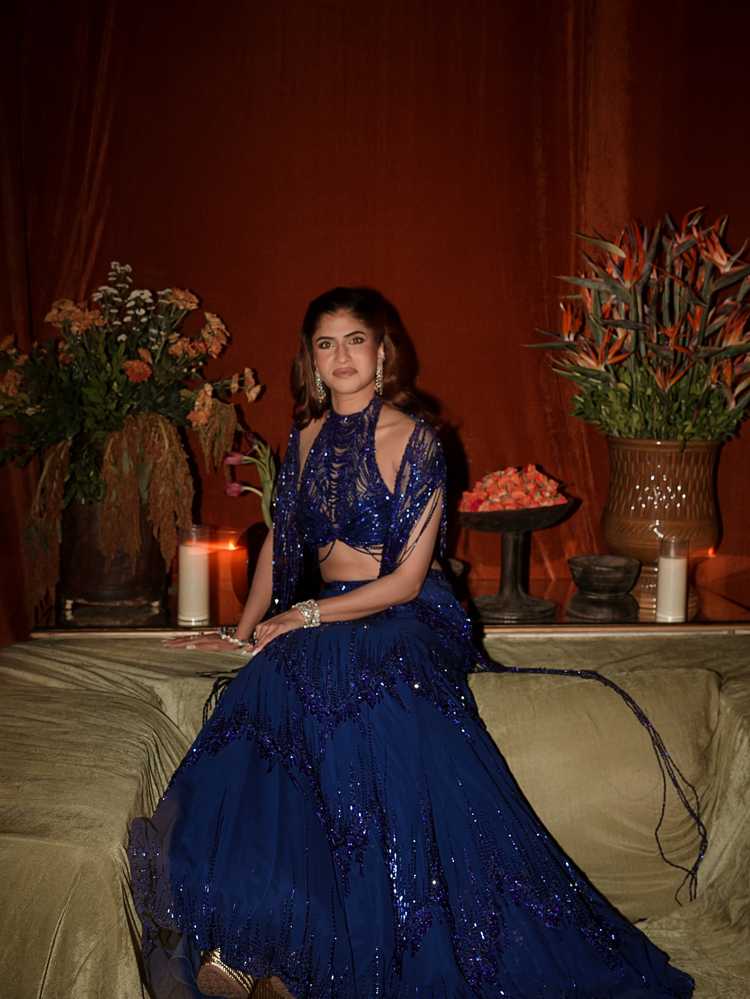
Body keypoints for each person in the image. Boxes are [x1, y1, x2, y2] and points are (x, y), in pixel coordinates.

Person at [129, 287, 700, 999]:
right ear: (310, 361)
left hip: (405, 615)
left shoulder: (420, 440)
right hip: (323, 615)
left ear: (382, 352)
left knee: (334, 666)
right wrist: (241, 632)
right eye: (326, 344)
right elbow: (280, 541)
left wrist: (306, 615)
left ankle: (296, 955)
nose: (341, 356)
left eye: (355, 340)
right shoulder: (303, 439)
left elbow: (404, 582)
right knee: (269, 681)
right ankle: (266, 947)